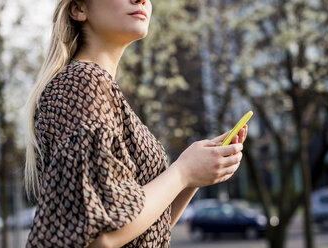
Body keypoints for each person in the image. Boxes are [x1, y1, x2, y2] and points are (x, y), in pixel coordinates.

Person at [23, 0, 248, 247]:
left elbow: (144, 230)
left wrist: (194, 176)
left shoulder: (100, 89)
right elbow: (100, 235)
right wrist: (183, 172)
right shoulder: (82, 83)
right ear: (79, 9)